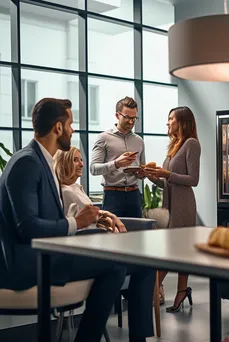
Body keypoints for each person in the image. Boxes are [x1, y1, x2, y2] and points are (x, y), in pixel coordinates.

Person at [0, 97, 155, 342]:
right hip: (27, 263)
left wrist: (88, 223)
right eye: (70, 125)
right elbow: (27, 228)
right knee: (115, 265)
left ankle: (138, 338)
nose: (73, 130)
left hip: (47, 253)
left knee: (143, 263)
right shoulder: (26, 163)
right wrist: (78, 223)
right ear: (58, 128)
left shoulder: (43, 162)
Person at [145, 106, 201, 312]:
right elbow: (168, 184)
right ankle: (181, 291)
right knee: (179, 251)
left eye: (171, 118)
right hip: (171, 204)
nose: (167, 122)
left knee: (173, 251)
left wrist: (166, 174)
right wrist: (152, 177)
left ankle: (151, 288)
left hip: (183, 205)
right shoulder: (174, 146)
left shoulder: (191, 144)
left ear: (182, 122)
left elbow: (193, 180)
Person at [90, 96, 145, 217]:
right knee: (112, 234)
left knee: (137, 234)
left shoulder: (139, 141)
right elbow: (93, 169)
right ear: (117, 115)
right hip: (112, 196)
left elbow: (142, 169)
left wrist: (142, 173)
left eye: (134, 118)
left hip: (134, 195)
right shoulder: (103, 138)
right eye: (127, 117)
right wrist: (116, 164)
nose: (131, 122)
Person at [54, 146, 126, 232]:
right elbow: (87, 222)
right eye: (75, 160)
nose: (81, 164)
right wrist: (109, 217)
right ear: (63, 164)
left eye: (81, 160)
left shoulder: (76, 187)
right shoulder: (66, 192)